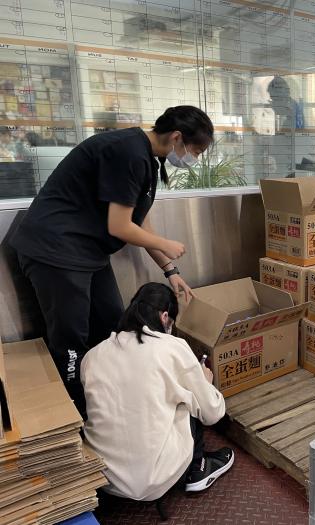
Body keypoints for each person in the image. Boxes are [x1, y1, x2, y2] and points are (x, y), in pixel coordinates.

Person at [11, 105, 213, 417]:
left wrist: (169, 270)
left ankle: (112, 400)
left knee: (115, 324)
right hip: (56, 250)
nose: (194, 159)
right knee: (71, 340)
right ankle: (77, 415)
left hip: (88, 250)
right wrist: (166, 244)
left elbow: (138, 220)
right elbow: (119, 227)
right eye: (196, 150)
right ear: (176, 137)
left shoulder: (147, 158)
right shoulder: (128, 152)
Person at [82, 283, 232, 501]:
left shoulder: (93, 356)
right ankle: (197, 468)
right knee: (192, 398)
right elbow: (212, 413)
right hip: (152, 479)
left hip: (104, 477)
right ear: (164, 317)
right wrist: (205, 382)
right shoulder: (171, 347)